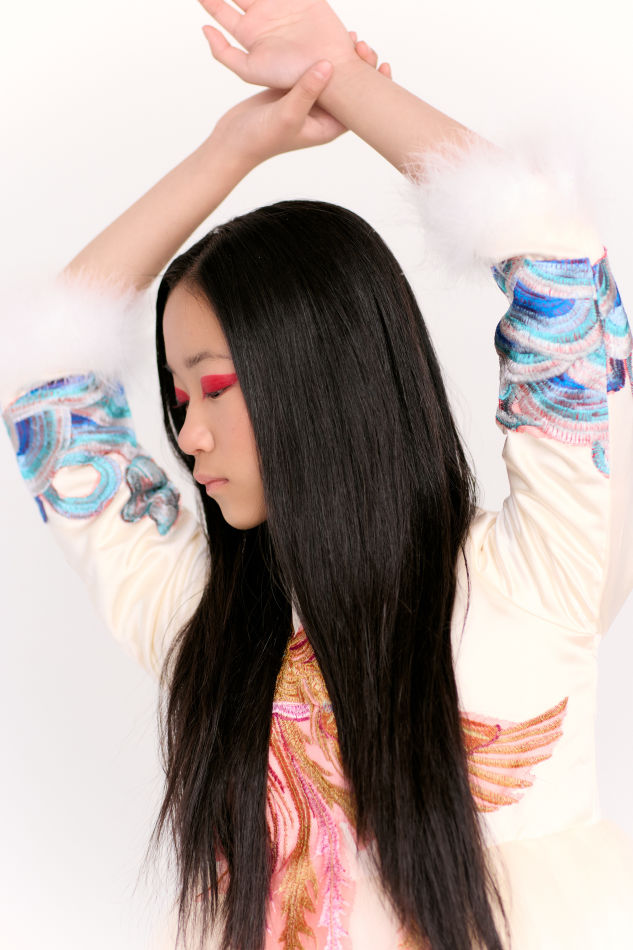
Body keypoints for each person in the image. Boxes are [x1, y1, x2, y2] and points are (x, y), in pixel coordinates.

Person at [2, 0, 633, 948]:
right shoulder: (207, 624)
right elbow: (45, 390)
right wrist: (230, 152)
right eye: (177, 397)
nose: (187, 435)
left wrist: (341, 81)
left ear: (319, 380)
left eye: (215, 389)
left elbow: (559, 267)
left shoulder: (532, 577)